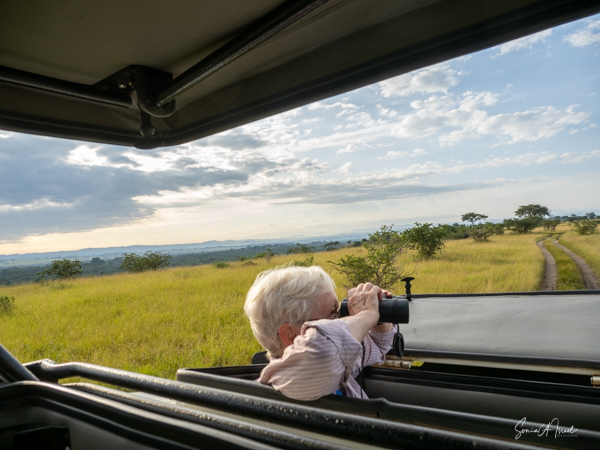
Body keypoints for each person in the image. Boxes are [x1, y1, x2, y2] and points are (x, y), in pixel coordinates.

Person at [244, 266, 395, 400]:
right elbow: (323, 354)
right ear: (291, 334)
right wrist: (366, 315)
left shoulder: (335, 360)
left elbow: (378, 344)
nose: (341, 319)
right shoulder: (289, 384)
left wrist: (378, 317)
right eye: (332, 313)